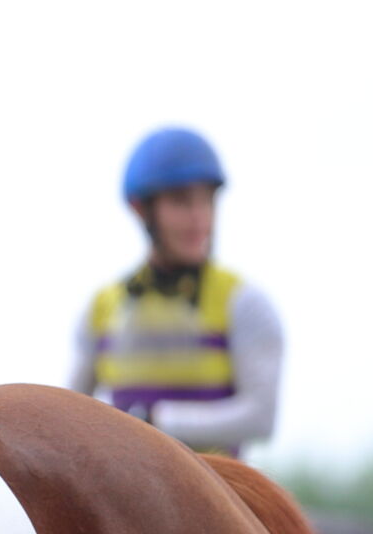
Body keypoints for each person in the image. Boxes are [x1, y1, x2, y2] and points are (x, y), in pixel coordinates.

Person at [71, 126, 282, 457]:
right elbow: (71, 411)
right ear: (142, 210)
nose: (200, 219)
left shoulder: (244, 303)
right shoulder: (101, 308)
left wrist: (158, 421)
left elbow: (261, 417)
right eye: (182, 202)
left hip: (217, 493)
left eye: (207, 201)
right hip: (124, 489)